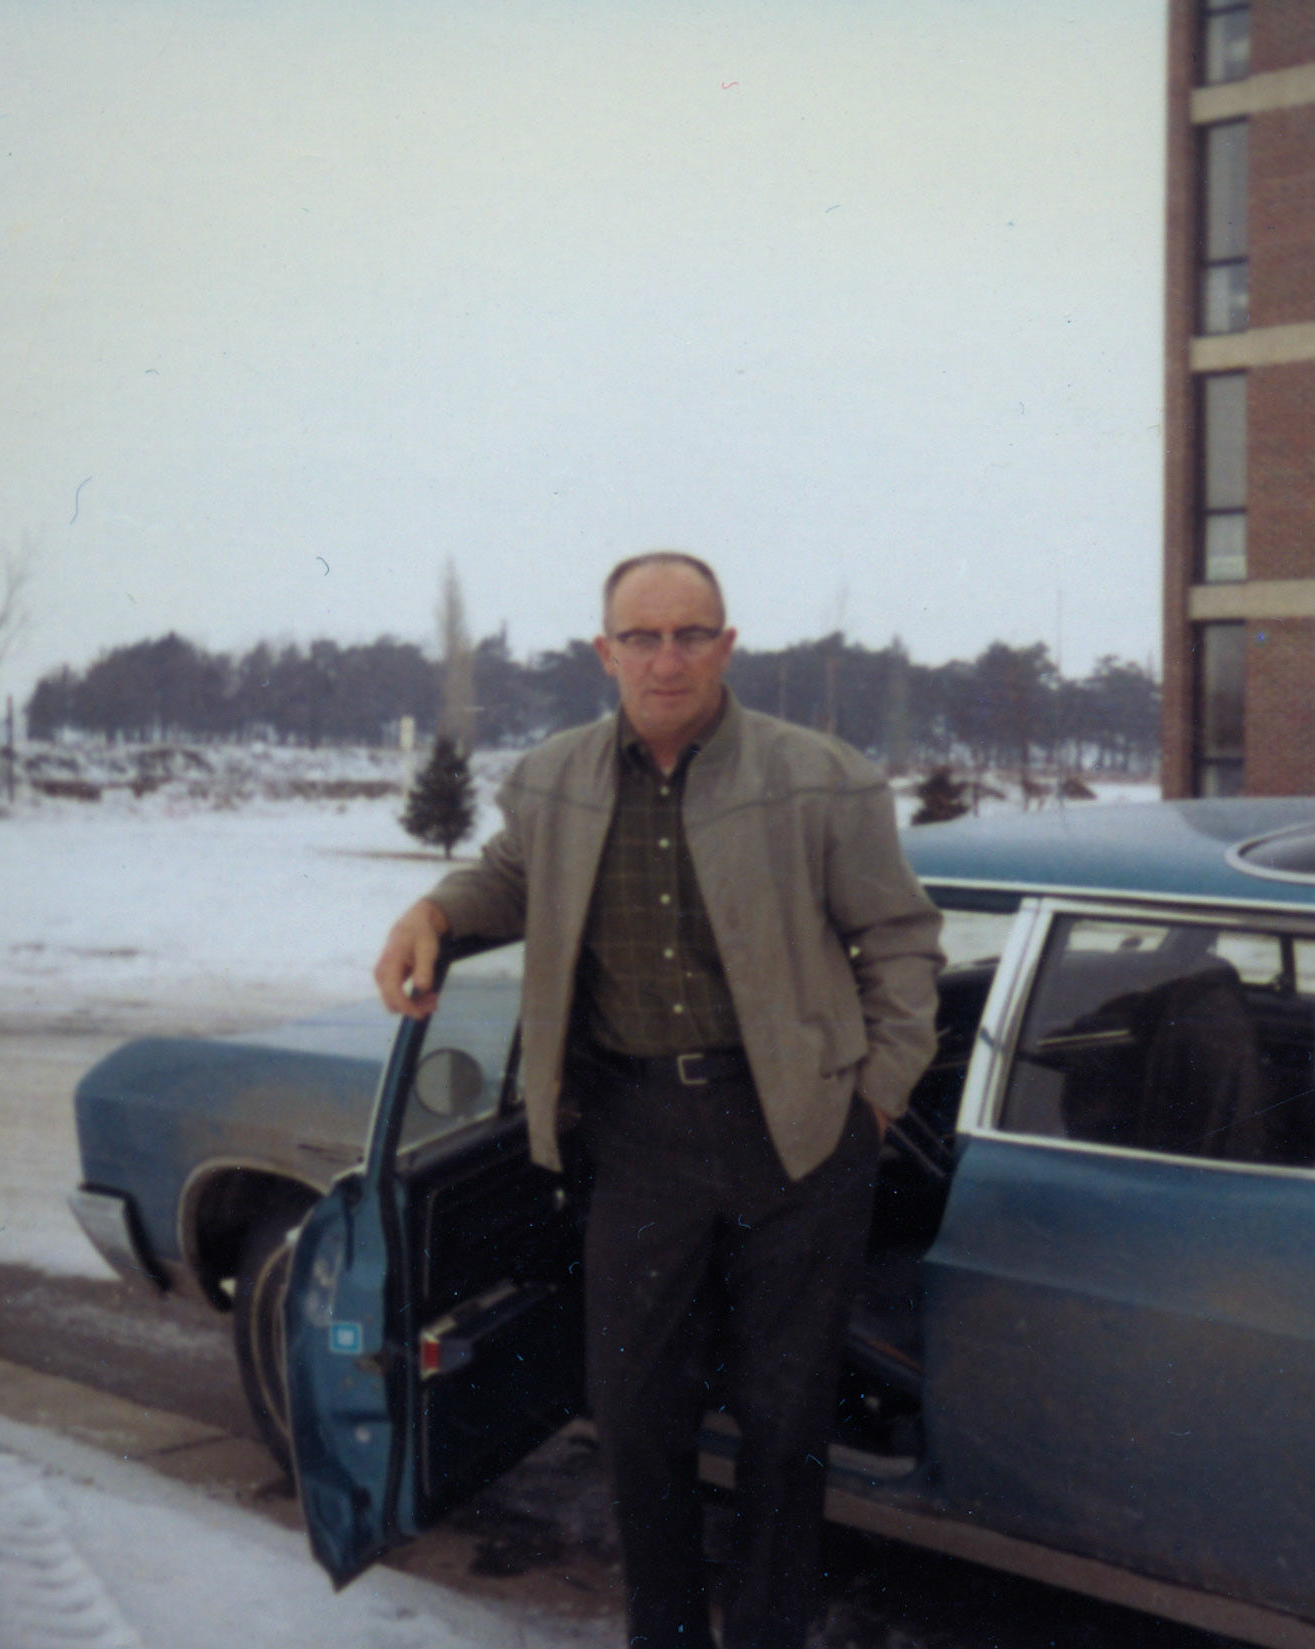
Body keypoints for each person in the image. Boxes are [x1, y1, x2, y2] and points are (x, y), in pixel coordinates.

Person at [374, 551, 943, 1649]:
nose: (666, 657)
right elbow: (508, 875)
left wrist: (869, 1101)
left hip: (795, 1131)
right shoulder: (553, 777)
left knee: (786, 1425)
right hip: (634, 1135)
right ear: (605, 651)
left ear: (728, 645)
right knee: (636, 1420)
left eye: (691, 634)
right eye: (642, 636)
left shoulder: (821, 777)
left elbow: (901, 937)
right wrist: (434, 911)